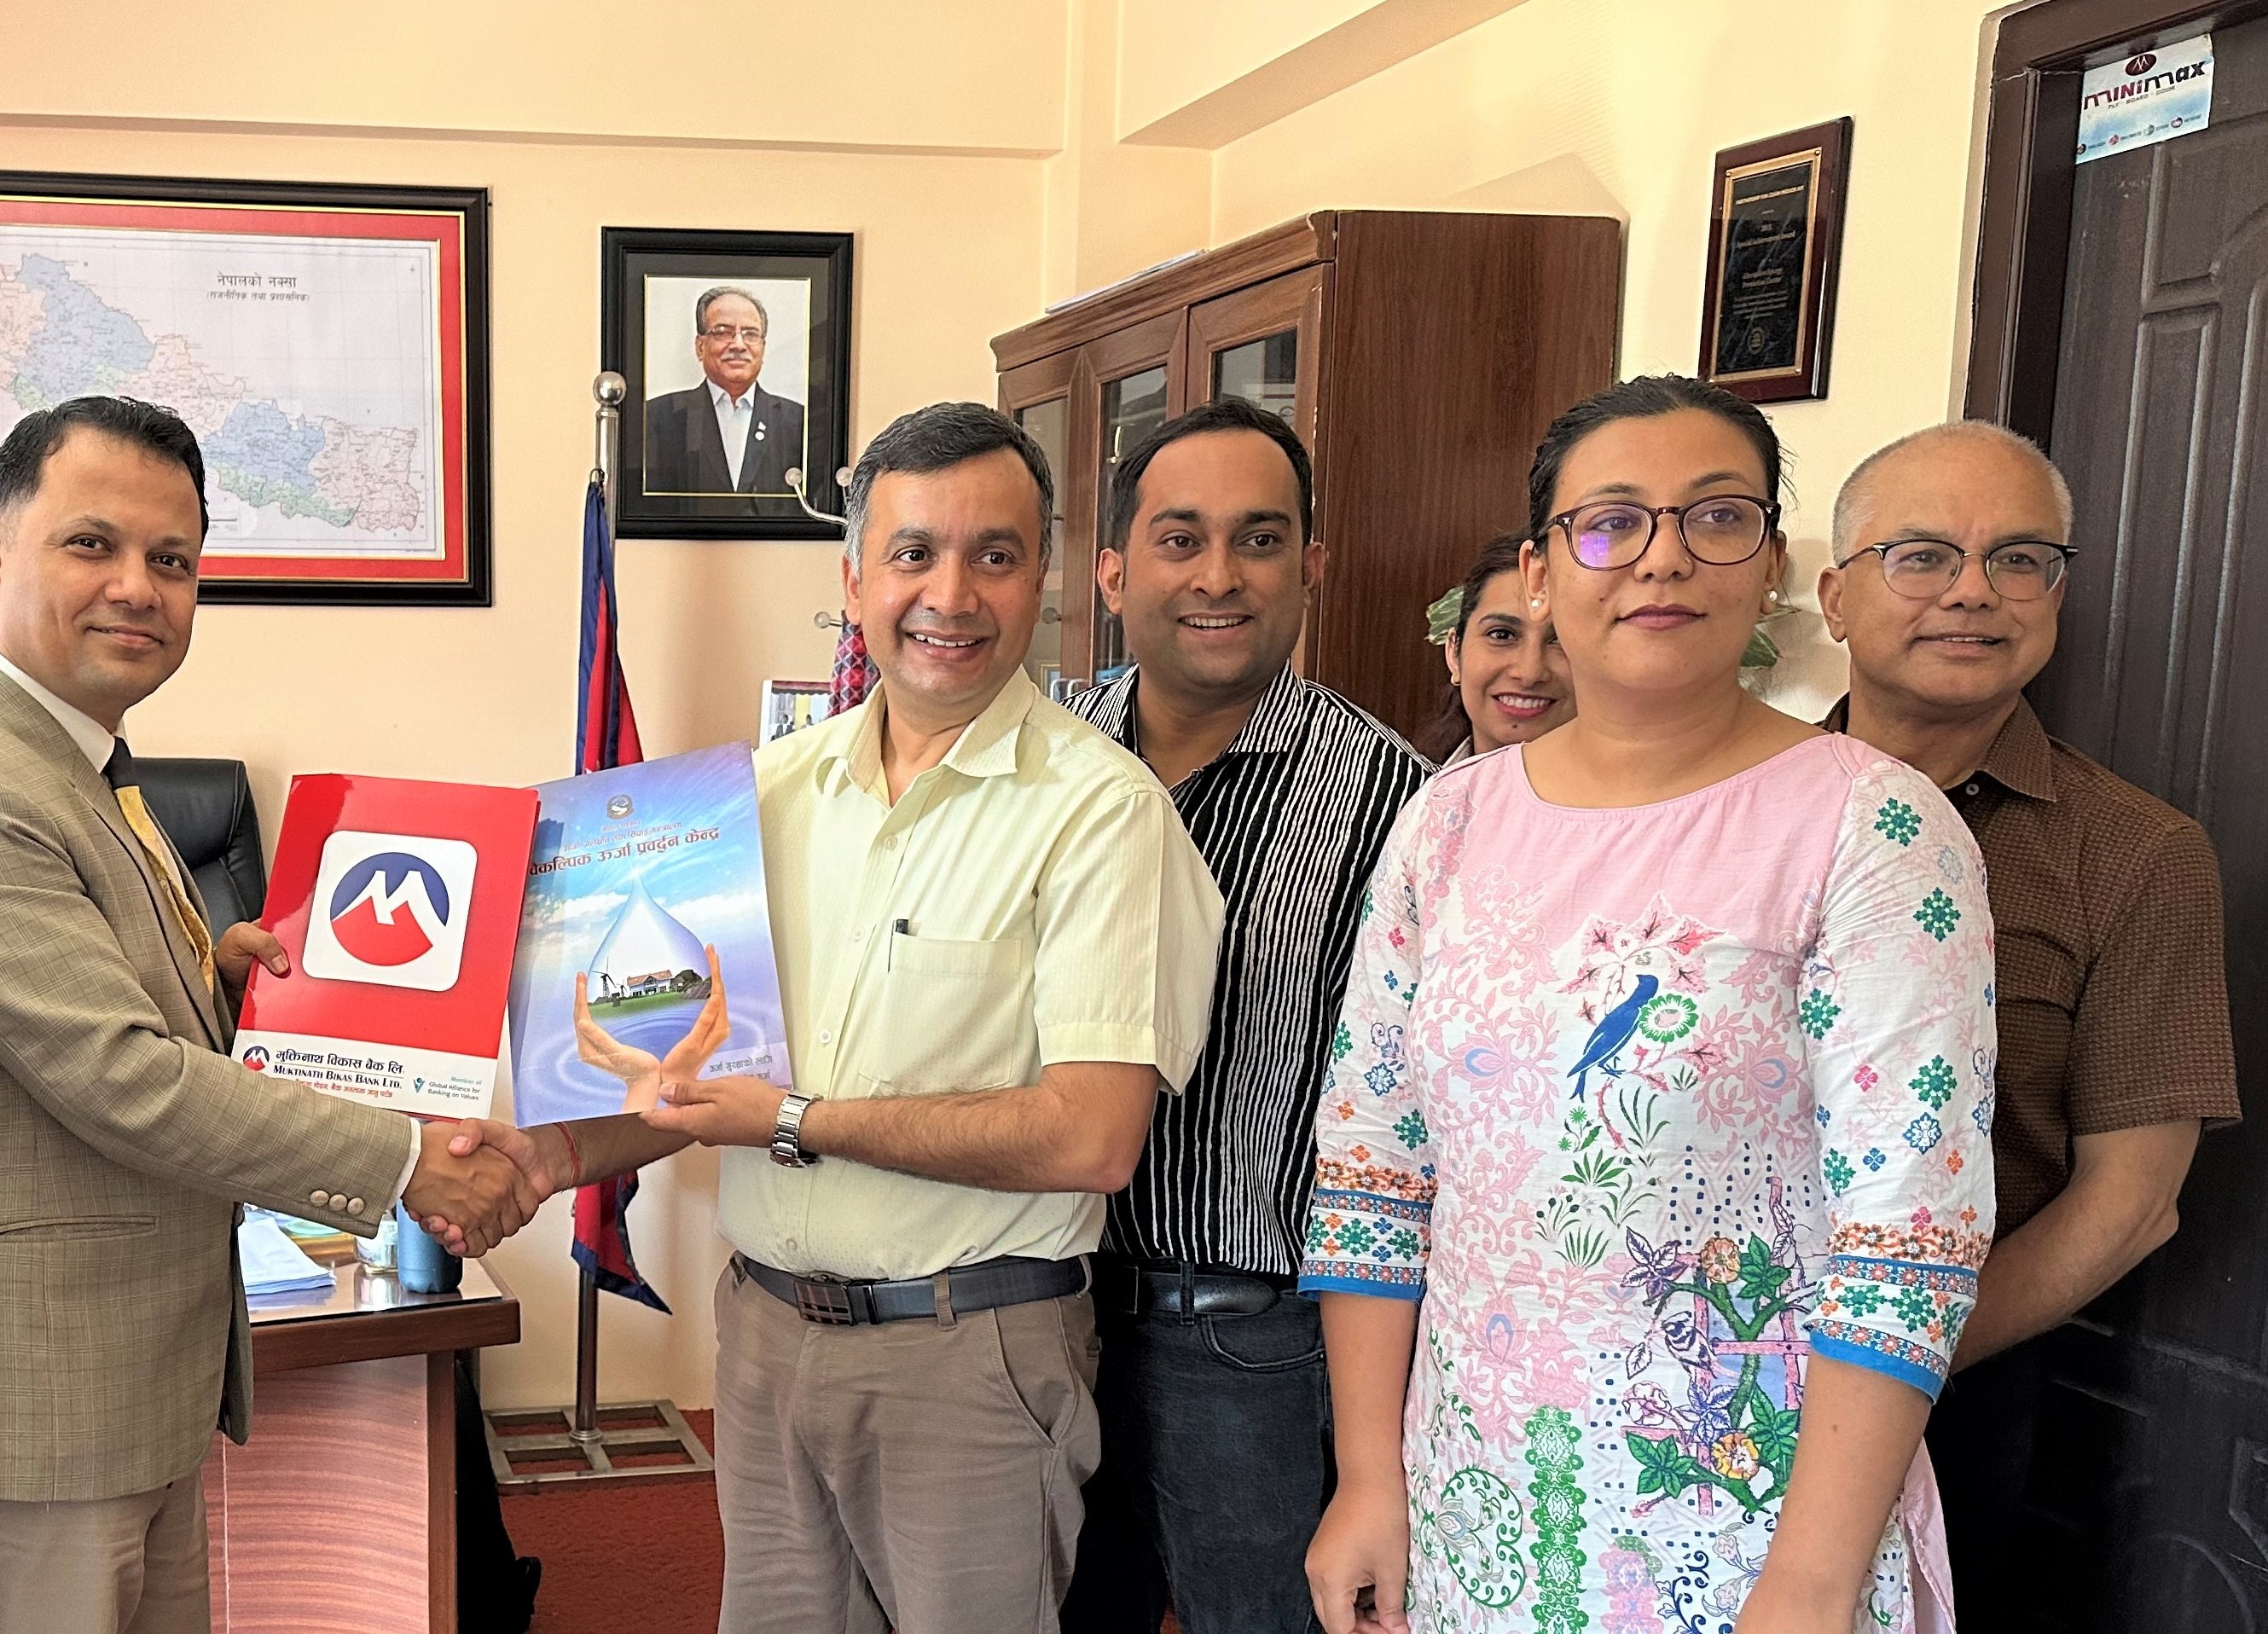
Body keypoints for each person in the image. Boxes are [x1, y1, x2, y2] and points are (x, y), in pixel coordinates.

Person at [479, 401, 1227, 1634]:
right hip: (767, 1337)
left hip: (968, 1354)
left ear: (1042, 578)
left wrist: (794, 1118)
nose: (950, 594)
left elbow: (1091, 1134)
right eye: (913, 552)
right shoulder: (758, 796)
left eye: (994, 555)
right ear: (855, 580)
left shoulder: (1101, 811)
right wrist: (543, 1155)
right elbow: (695, 1073)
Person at [1302, 375, 1998, 1634]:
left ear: (1769, 562)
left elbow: (1909, 1241)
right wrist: (1367, 1478)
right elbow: (1373, 1170)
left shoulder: (1873, 828)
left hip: (1745, 1534)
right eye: (1610, 521)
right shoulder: (1445, 824)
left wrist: (1809, 1582)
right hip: (1476, 1511)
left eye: (1716, 516)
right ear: (1538, 570)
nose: (1661, 556)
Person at [0, 393, 537, 1634]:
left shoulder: (80, 763)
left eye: (172, 559)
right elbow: (121, 1076)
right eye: (90, 544)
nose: (138, 588)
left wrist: (214, 977)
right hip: (34, 1400)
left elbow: (62, 1022)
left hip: (123, 1377)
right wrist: (407, 1161)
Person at [1814, 420, 2238, 1627]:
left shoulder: (2137, 853)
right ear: (1835, 597)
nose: (1971, 590)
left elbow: (2134, 1200)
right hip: (1663, 1351)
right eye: (1921, 555)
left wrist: (1873, 1366)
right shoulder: (1723, 806)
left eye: (2018, 558)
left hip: (1947, 1386)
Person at [1053, 398, 1433, 1634]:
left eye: (1259, 539)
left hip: (1254, 1351)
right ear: (1114, 570)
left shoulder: (1400, 802)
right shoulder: (1038, 764)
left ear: (1310, 565)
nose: (1218, 575)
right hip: (1037, 1315)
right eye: (1179, 538)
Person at [643, 286, 810, 501]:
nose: (739, 345)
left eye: (751, 334)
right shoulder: (657, 417)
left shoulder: (798, 422)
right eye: (722, 332)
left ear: (762, 347)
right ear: (700, 346)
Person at [1418, 530, 1572, 762]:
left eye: (1561, 639)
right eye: (1502, 635)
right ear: (1454, 653)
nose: (1529, 674)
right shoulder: (1400, 782)